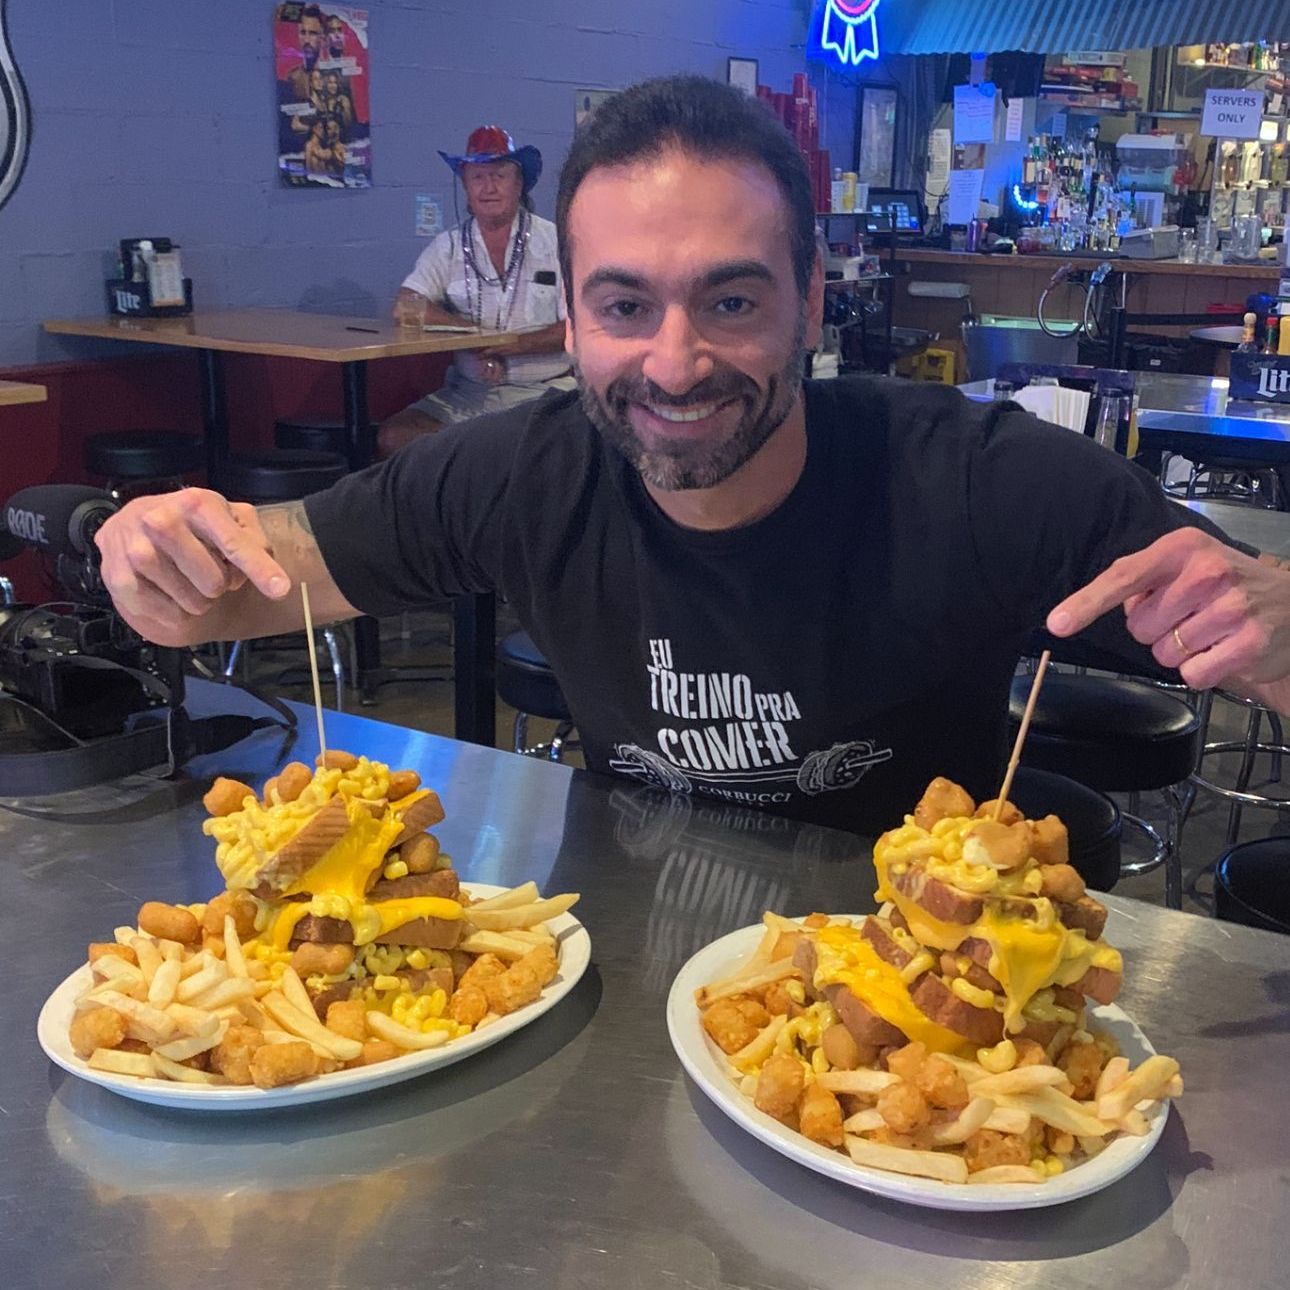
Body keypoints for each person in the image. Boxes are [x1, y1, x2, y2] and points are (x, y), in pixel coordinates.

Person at [94, 75, 1290, 838]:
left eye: (729, 303)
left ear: (812, 302)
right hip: (627, 1005)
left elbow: (1258, 645)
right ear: (570, 325)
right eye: (624, 308)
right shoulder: (524, 472)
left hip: (920, 1010)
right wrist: (156, 551)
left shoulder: (985, 480)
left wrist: (1280, 626)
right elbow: (255, 578)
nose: (673, 365)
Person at [377, 126, 573, 458]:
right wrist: (474, 335)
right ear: (466, 187)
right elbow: (405, 306)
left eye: (499, 175)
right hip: (468, 393)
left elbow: (577, 326)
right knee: (395, 437)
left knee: (511, 446)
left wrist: (509, 347)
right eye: (477, 177)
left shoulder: (555, 242)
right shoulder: (449, 246)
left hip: (546, 392)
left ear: (519, 184)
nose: (488, 187)